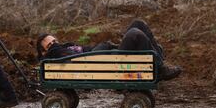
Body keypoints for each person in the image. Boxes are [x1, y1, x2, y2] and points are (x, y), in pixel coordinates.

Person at [36, 19, 182, 81]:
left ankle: (159, 64)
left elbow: (88, 50)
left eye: (54, 40)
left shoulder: (64, 47)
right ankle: (160, 69)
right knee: (134, 33)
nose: (55, 44)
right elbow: (89, 56)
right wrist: (106, 45)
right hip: (109, 63)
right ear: (44, 52)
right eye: (50, 44)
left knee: (138, 23)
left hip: (109, 58)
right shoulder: (55, 54)